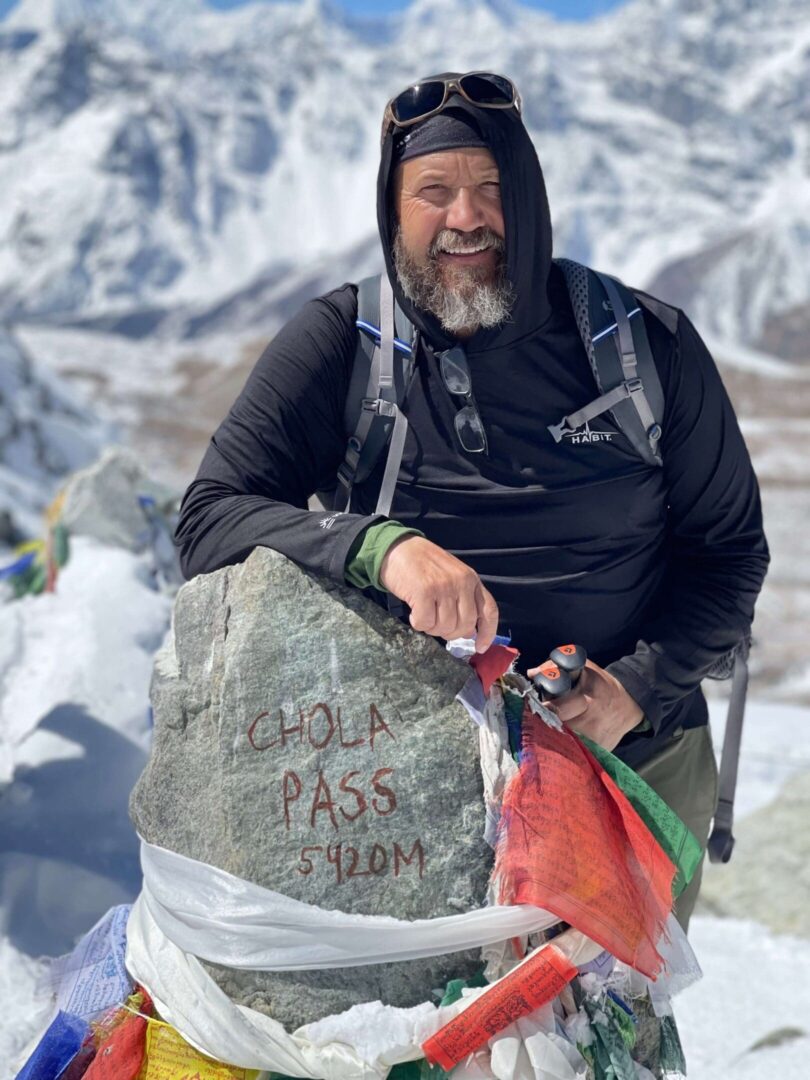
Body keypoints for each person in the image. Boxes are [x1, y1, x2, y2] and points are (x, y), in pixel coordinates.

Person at [175, 71, 769, 927]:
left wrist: (631, 688)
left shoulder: (647, 347)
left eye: (491, 186)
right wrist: (383, 547)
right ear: (393, 208)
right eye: (435, 191)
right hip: (403, 779)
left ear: (527, 198)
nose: (465, 217)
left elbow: (729, 552)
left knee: (608, 1044)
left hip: (634, 764)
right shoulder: (341, 345)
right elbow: (209, 519)